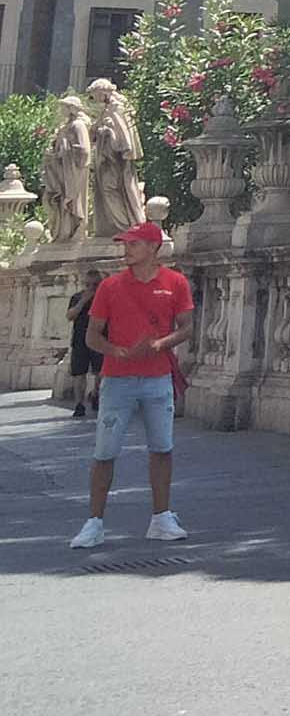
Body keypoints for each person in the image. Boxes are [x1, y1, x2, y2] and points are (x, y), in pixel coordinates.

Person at [69, 223, 194, 549]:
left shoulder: (175, 283)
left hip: (157, 377)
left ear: (153, 247)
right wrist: (118, 351)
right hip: (118, 379)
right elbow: (91, 336)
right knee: (105, 452)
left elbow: (187, 327)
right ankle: (94, 522)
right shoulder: (110, 287)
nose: (126, 250)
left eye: (133, 244)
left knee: (162, 448)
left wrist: (160, 344)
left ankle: (161, 517)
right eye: (126, 244)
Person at [63, 286, 101, 418]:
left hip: (100, 339)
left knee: (100, 372)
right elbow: (70, 316)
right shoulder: (78, 297)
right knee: (79, 373)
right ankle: (79, 404)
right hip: (80, 340)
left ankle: (96, 394)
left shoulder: (105, 296)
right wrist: (82, 302)